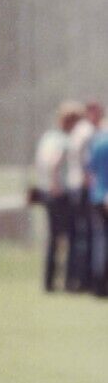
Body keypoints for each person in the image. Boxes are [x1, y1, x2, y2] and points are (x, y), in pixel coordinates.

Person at [33, 101, 82, 293]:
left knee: (53, 237)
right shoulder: (64, 140)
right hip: (59, 192)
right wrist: (55, 183)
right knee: (68, 236)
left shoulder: (48, 137)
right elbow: (55, 162)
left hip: (46, 191)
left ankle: (49, 281)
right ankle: (69, 281)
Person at [66, 100, 99, 291]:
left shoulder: (77, 132)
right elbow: (85, 158)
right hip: (82, 185)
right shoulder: (87, 131)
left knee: (79, 233)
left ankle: (75, 279)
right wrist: (88, 177)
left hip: (74, 184)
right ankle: (83, 280)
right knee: (85, 234)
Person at [84, 103, 108, 298]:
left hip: (97, 196)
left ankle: (98, 286)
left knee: (100, 240)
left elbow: (89, 171)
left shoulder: (97, 141)